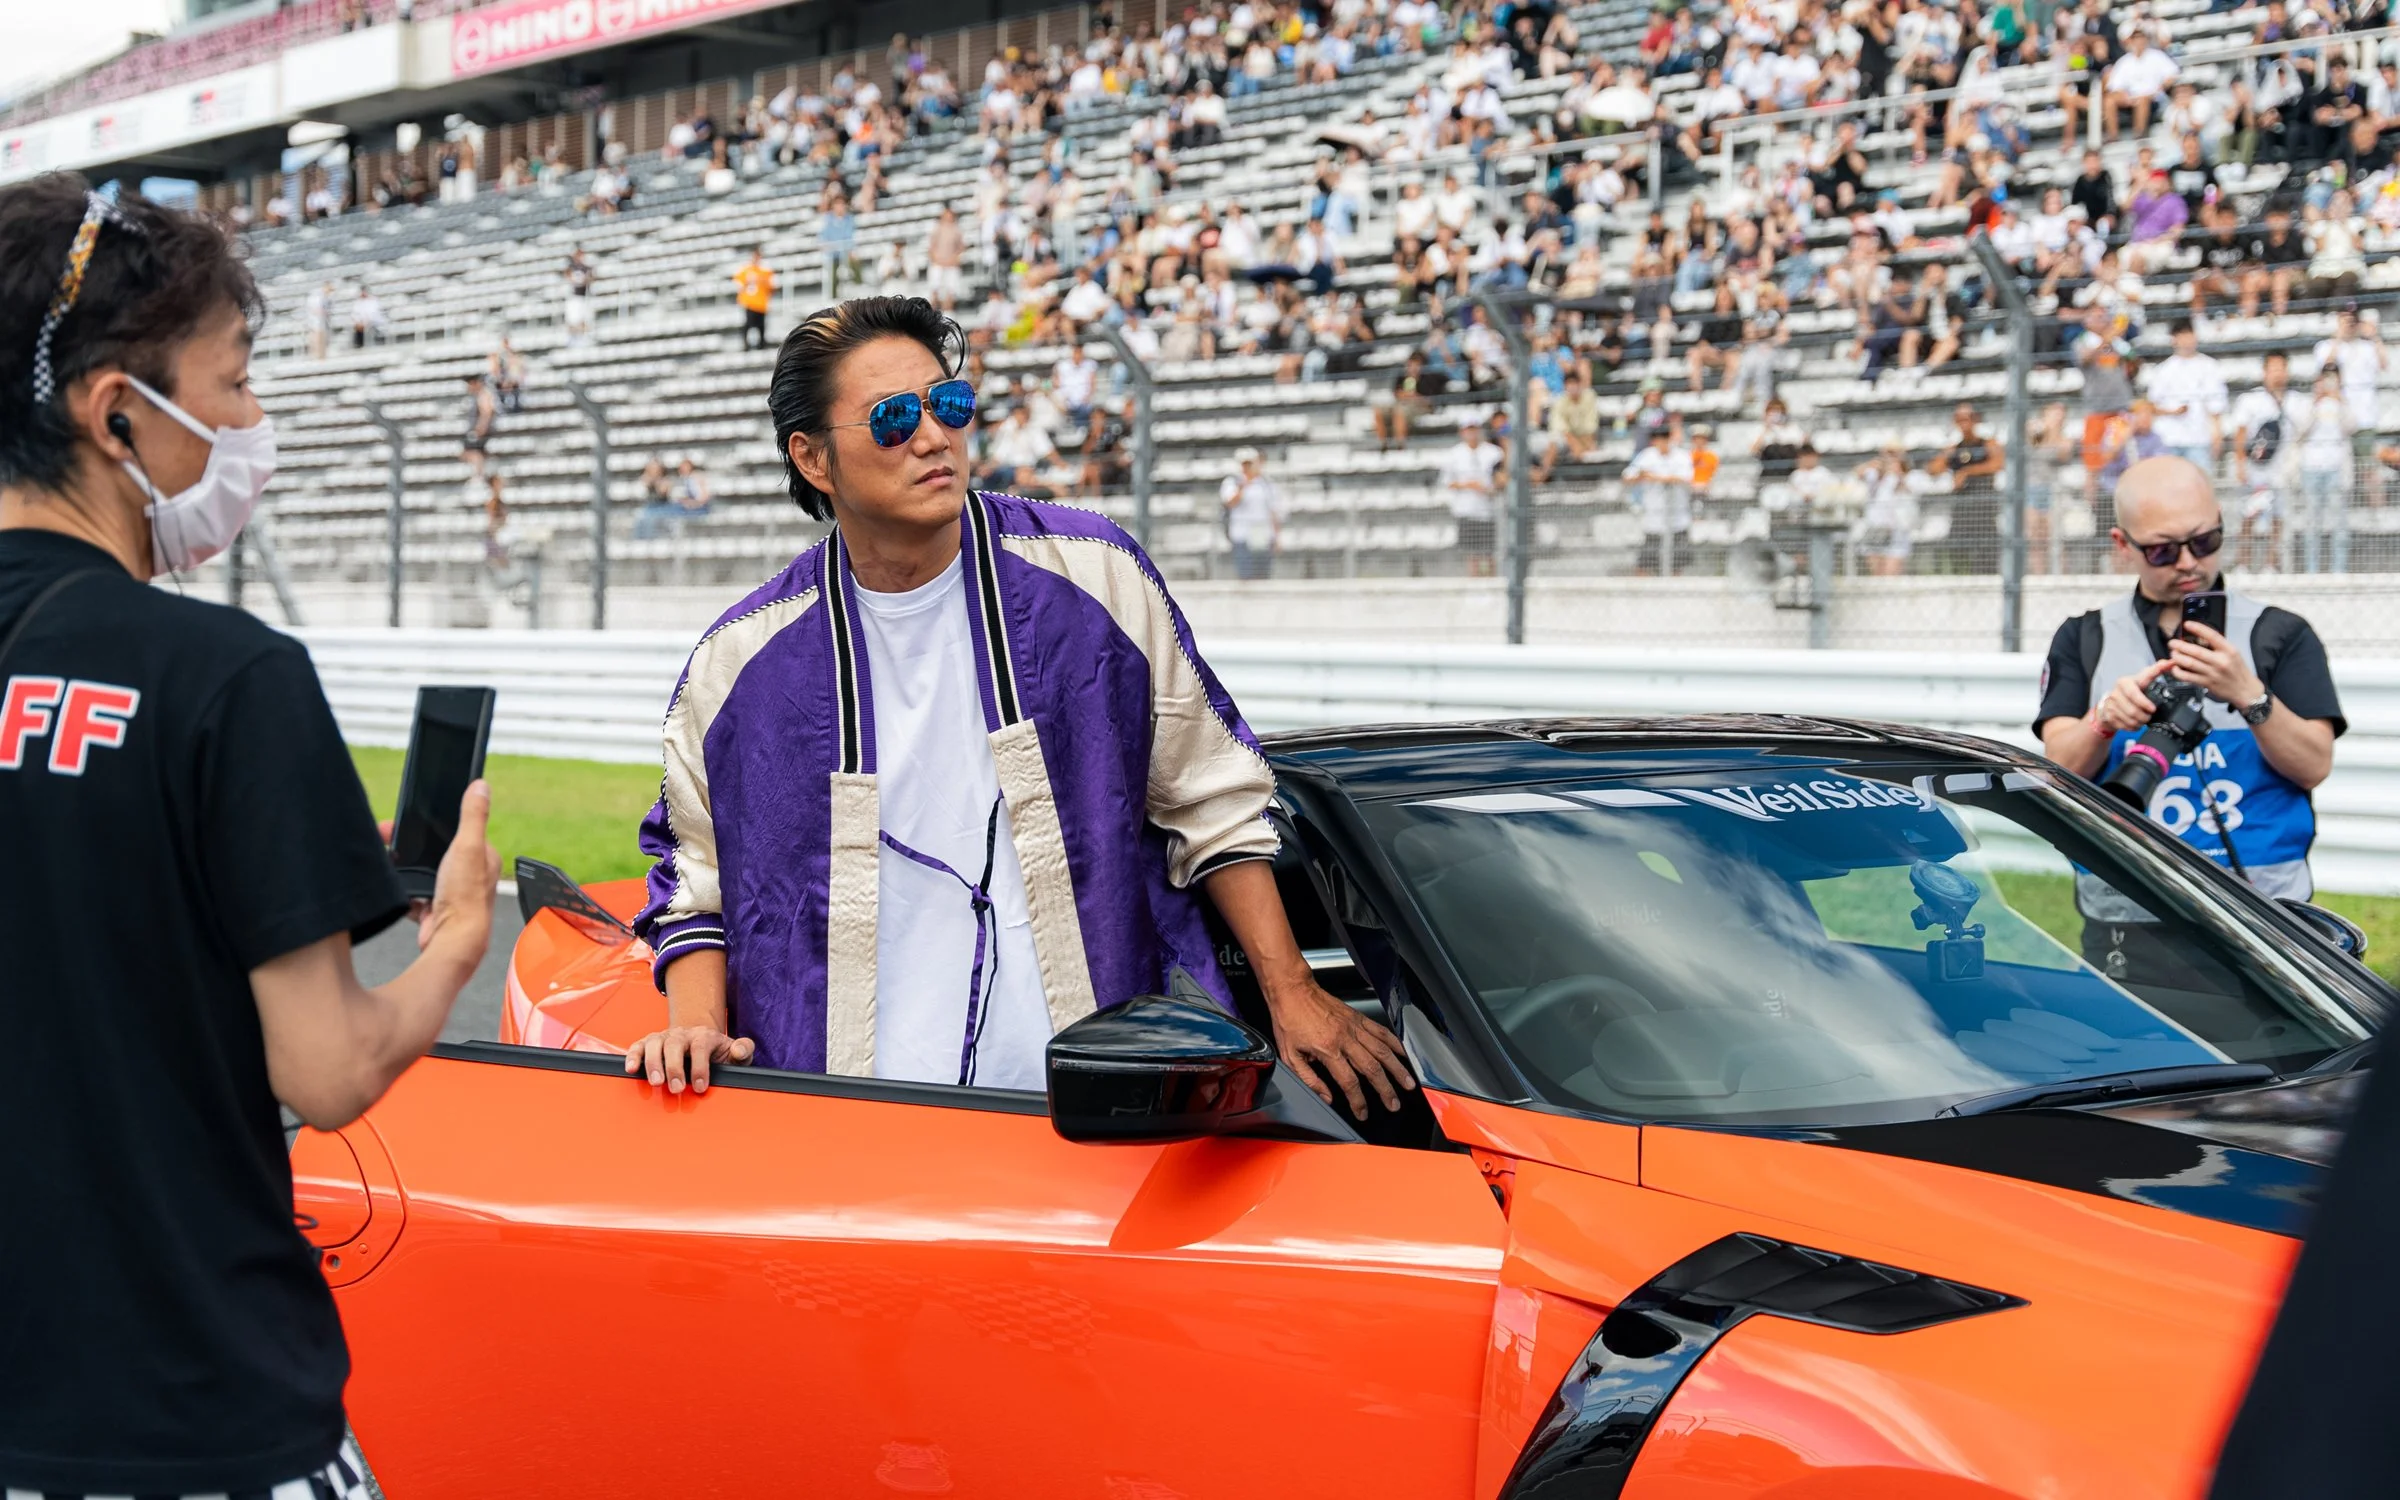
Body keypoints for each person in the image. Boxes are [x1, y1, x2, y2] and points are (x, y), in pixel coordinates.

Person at [0, 175, 496, 1500]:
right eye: (231, 382)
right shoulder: (224, 675)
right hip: (186, 1402)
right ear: (116, 411)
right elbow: (326, 1072)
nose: (249, 422)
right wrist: (455, 942)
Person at [624, 297, 1409, 1118]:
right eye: (893, 419)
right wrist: (697, 1026)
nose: (934, 437)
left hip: (1104, 1103)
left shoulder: (1095, 574)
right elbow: (694, 882)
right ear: (813, 458)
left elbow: (1211, 796)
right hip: (849, 1120)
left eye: (948, 403)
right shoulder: (736, 664)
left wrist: (1292, 991)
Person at [2034, 456, 2343, 903]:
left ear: (2220, 522)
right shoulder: (2084, 636)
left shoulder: (2282, 633)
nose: (2187, 562)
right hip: (2128, 905)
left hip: (2266, 912)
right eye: (2162, 550)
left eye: (2204, 541)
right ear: (2123, 544)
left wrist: (2250, 695)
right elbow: (2057, 772)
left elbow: (2314, 767)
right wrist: (2104, 719)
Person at [2229, 351, 2299, 570]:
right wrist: (2240, 465)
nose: (2277, 373)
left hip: (2280, 469)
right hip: (2254, 469)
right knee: (2248, 515)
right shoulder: (2250, 400)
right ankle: (2243, 563)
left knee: (2277, 518)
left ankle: (2271, 563)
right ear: (2264, 372)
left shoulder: (2296, 401)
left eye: (2281, 368)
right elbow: (2240, 433)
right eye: (2273, 368)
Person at [2143, 322, 2228, 476]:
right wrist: (2173, 412)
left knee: (2200, 483)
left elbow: (2216, 405)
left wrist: (2217, 435)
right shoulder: (2163, 370)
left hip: (2199, 438)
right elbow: (2151, 405)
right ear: (2174, 339)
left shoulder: (2209, 366)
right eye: (2182, 336)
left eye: (2189, 335)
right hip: (2169, 438)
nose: (2187, 340)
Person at [1623, 423, 1695, 576]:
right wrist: (1643, 476)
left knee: (1678, 561)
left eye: (1664, 438)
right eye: (1656, 439)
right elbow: (1628, 476)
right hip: (1654, 514)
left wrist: (1654, 477)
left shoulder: (1681, 455)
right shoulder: (1647, 455)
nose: (1660, 442)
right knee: (1646, 560)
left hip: (1677, 514)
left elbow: (1685, 477)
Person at [1439, 415, 1503, 577]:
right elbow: (1448, 482)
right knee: (1472, 554)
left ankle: (1490, 581)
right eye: (1468, 429)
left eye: (1474, 429)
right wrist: (1469, 485)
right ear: (1462, 432)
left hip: (1489, 510)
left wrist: (1491, 488)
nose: (1472, 433)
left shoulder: (1494, 452)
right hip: (1466, 510)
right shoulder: (1454, 454)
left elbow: (1502, 478)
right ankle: (1474, 581)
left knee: (1489, 553)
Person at [1220, 446, 1285, 580]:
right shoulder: (1232, 482)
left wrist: (1277, 537)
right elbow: (1230, 502)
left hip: (1262, 534)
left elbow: (1273, 511)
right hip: (1242, 534)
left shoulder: (1266, 483)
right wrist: (1243, 485)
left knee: (1262, 574)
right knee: (1245, 574)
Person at [734, 246, 776, 351]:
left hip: (761, 303)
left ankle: (761, 344)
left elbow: (772, 287)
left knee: (761, 325)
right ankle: (746, 344)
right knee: (749, 324)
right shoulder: (746, 270)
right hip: (750, 302)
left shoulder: (765, 271)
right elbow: (738, 283)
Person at [460, 372, 496, 481]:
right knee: (468, 452)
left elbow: (486, 413)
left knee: (474, 452)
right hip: (477, 430)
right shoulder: (477, 396)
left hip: (481, 430)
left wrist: (480, 429)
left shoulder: (483, 395)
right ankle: (481, 474)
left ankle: (479, 475)